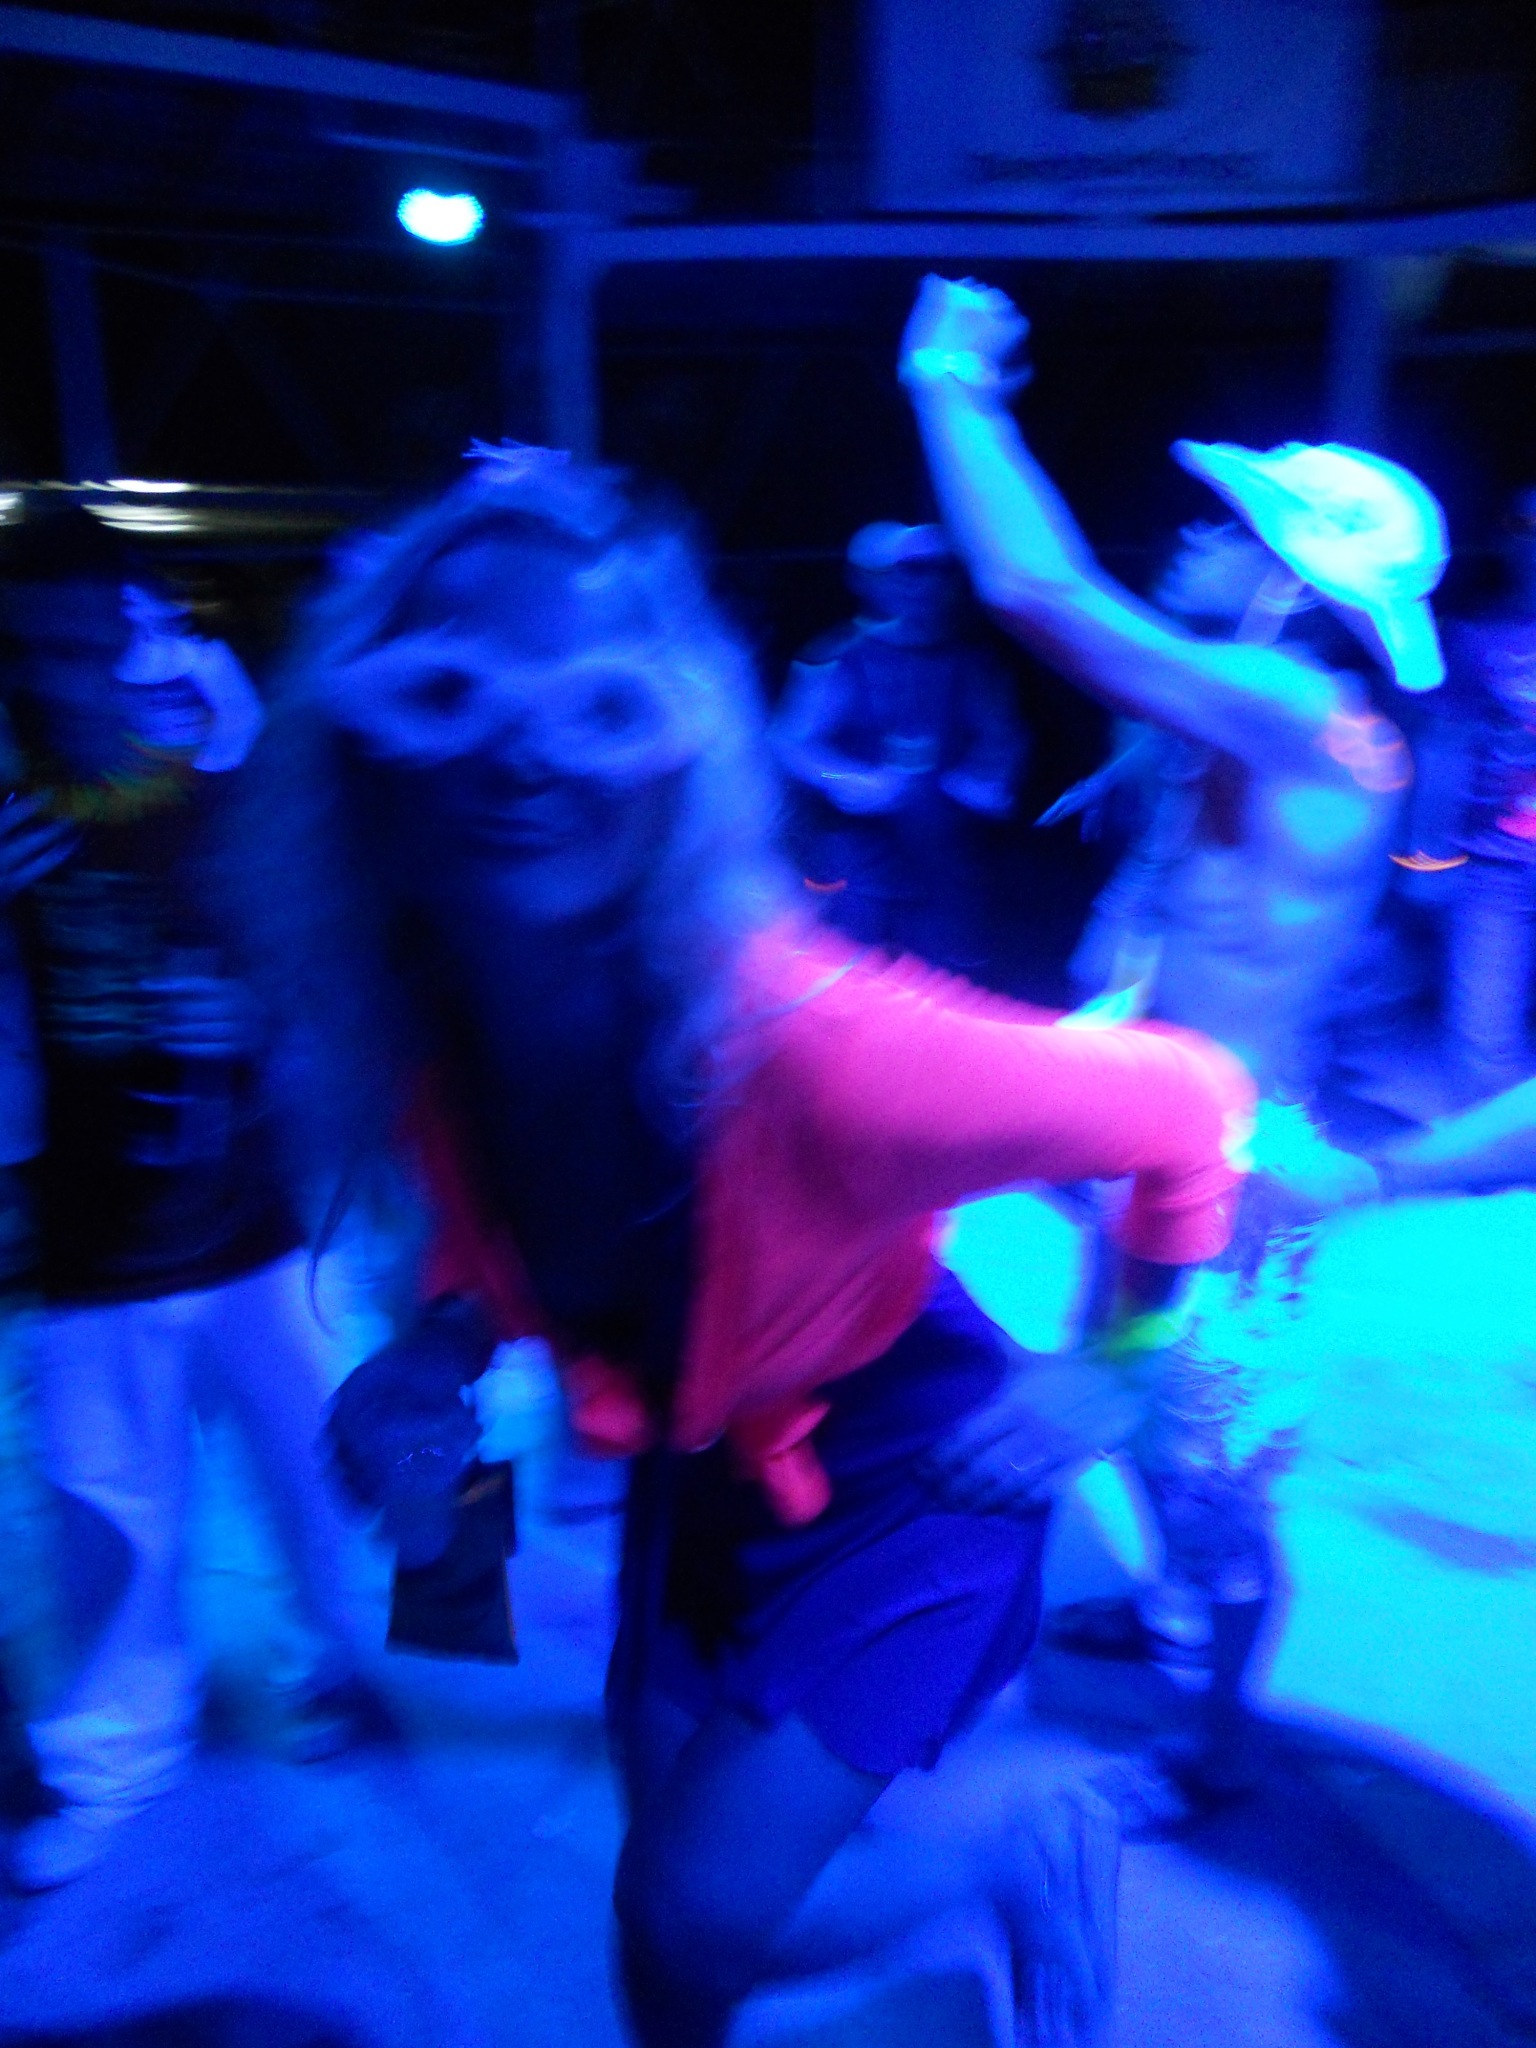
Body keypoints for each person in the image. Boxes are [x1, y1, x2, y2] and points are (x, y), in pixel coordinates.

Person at [252, 442, 1253, 2048]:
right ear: (360, 750)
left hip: (917, 1466)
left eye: (594, 704)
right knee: (662, 1932)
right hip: (701, 1456)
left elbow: (1195, 1105)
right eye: (449, 693)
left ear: (678, 752)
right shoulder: (429, 1023)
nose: (520, 755)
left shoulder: (823, 1051)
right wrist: (431, 1357)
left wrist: (1119, 1368)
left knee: (695, 1905)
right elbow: (505, 1248)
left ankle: (1016, 1844)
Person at [899, 274, 1448, 1816]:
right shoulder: (1264, 715)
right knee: (1128, 1402)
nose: (1192, 534)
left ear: (1283, 574)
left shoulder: (1297, 710)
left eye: (1227, 523)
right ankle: (1163, 1625)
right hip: (1154, 1134)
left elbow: (1043, 597)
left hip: (1221, 1167)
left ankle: (1222, 1746)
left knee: (1204, 1468)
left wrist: (953, 385)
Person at [0, 505, 371, 1892]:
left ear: (143, 635)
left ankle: (356, 1667)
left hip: (262, 1223)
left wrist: (264, 1023)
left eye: (98, 643)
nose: (74, 680)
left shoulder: (225, 798)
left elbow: (336, 979)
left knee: (337, 1469)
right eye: (41, 651)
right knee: (109, 1513)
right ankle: (112, 1753)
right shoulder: (11, 822)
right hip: (91, 1247)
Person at [771, 520, 1025, 979]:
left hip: (943, 850)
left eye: (939, 570)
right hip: (860, 853)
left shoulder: (969, 658)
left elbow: (1001, 735)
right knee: (855, 971)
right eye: (911, 570)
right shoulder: (838, 656)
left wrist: (989, 776)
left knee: (946, 977)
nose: (926, 583)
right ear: (868, 579)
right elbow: (790, 742)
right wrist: (847, 779)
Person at [1435, 485, 1536, 1100]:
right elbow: (1445, 749)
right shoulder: (1477, 637)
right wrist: (1428, 856)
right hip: (1495, 864)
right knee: (1481, 1036)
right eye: (1524, 526)